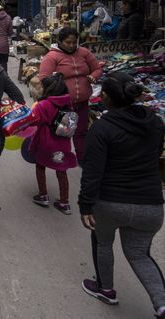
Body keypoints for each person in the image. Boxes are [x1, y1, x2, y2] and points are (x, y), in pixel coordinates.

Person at [78, 72, 165, 318]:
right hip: (150, 205)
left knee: (103, 242)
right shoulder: (155, 122)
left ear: (105, 97)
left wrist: (85, 205)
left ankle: (105, 289)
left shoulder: (102, 128)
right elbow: (156, 156)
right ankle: (162, 305)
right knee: (139, 254)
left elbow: (92, 171)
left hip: (110, 203)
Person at [39, 27, 102, 164]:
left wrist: (93, 76)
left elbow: (97, 68)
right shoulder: (52, 57)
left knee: (81, 133)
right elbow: (44, 79)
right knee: (63, 134)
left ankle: (82, 160)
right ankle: (61, 162)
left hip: (82, 103)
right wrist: (58, 85)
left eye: (74, 42)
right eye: (68, 42)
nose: (72, 45)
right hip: (64, 106)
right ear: (60, 41)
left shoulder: (84, 52)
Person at [28, 73, 78, 214]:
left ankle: (43, 195)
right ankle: (64, 202)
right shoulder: (69, 103)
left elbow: (32, 121)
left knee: (40, 166)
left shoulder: (43, 105)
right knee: (61, 171)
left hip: (45, 144)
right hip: (63, 145)